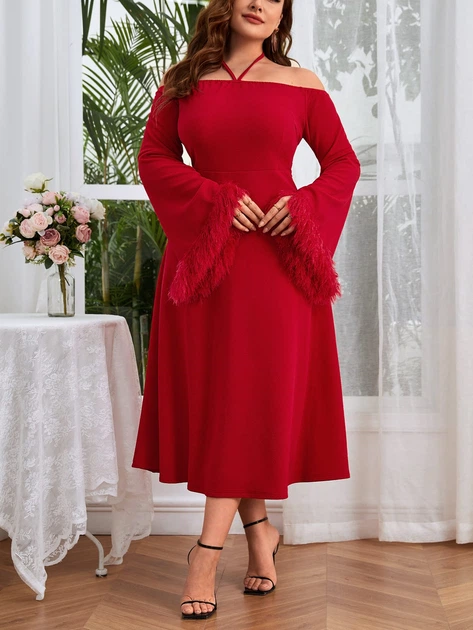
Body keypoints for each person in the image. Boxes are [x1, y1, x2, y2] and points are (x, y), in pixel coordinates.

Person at [131, 0, 361, 620]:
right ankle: (261, 534)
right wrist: (214, 200)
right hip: (205, 260)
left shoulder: (301, 83)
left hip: (277, 262)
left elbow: (344, 163)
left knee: (252, 396)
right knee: (226, 399)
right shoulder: (182, 82)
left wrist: (302, 207)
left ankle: (205, 553)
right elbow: (154, 160)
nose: (260, 3)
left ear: (283, 12)